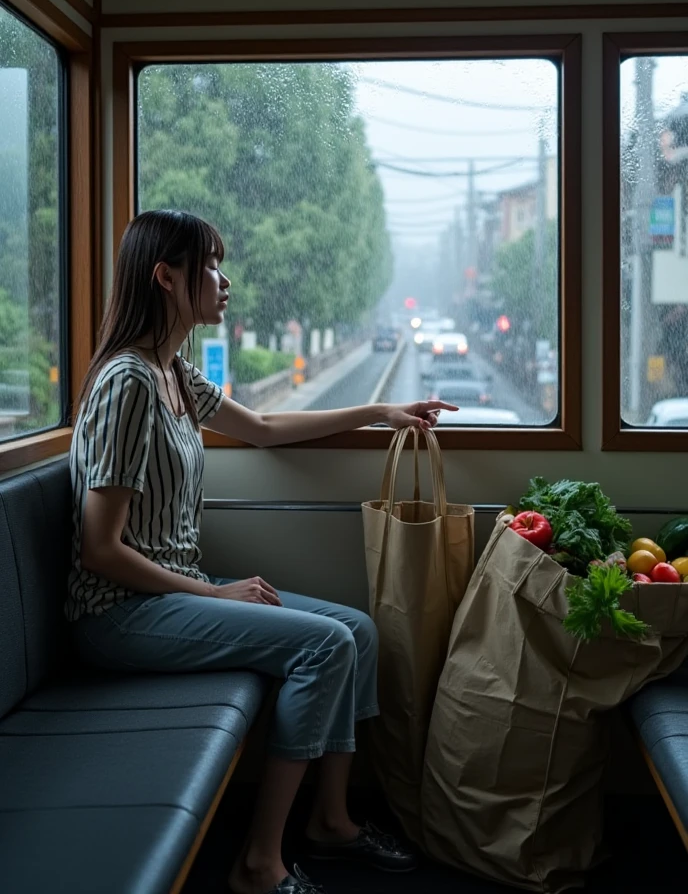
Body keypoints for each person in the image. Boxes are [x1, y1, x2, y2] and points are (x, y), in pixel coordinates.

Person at [66, 210, 456, 894]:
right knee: (322, 646)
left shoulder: (173, 374)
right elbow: (100, 551)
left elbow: (266, 428)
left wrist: (377, 412)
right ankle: (258, 863)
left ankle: (330, 821)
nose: (225, 281)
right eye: (210, 266)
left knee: (357, 632)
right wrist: (216, 594)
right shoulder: (127, 383)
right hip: (119, 612)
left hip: (169, 592)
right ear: (166, 277)